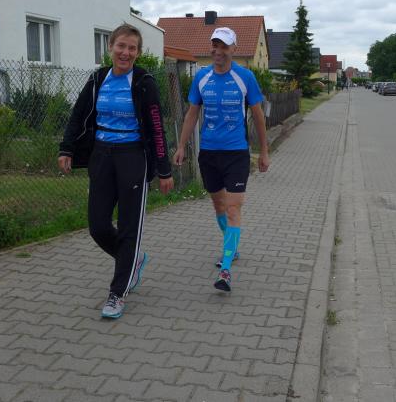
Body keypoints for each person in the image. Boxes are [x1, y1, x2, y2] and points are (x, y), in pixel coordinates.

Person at [58, 23, 174, 319]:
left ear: (138, 53)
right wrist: (66, 148)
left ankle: (117, 293)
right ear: (110, 47)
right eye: (121, 46)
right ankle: (133, 260)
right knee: (97, 226)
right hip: (101, 156)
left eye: (132, 48)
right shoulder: (98, 79)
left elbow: (156, 128)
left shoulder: (144, 82)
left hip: (133, 157)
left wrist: (164, 170)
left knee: (128, 228)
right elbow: (78, 114)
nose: (125, 53)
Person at [172, 27, 270, 292]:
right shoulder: (201, 77)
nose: (218, 51)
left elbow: (258, 115)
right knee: (218, 206)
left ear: (233, 49)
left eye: (224, 46)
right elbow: (192, 113)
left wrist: (264, 150)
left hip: (236, 152)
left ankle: (225, 269)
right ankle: (232, 247)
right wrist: (181, 146)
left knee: (233, 208)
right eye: (215, 45)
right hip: (209, 153)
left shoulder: (245, 77)